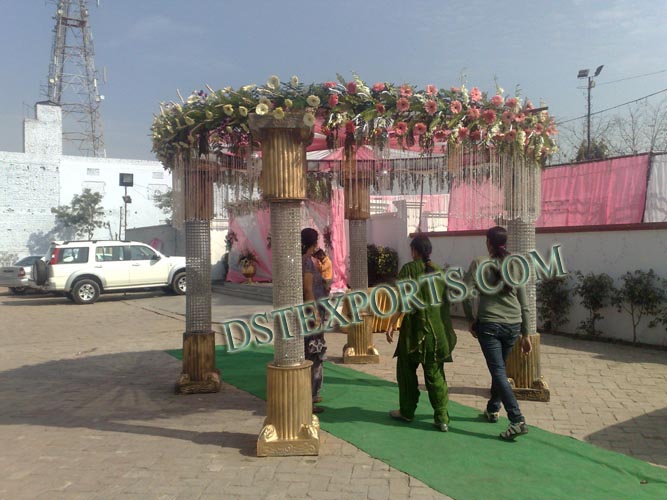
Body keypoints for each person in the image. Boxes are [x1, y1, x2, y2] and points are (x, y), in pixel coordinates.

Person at [463, 225, 532, 441]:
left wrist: (470, 319)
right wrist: (526, 333)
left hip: (490, 324)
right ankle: (493, 408)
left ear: (488, 243)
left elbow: (466, 294)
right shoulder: (516, 265)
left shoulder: (479, 263)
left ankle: (516, 419)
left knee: (498, 371)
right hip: (513, 324)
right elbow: (524, 301)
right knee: (499, 369)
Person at [385, 234, 457, 432]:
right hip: (437, 335)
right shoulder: (440, 272)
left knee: (406, 372)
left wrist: (392, 322)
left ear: (414, 251)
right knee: (435, 374)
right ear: (429, 251)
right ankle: (441, 417)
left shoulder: (409, 269)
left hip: (413, 335)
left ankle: (407, 411)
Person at [301, 228, 327, 414]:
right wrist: (315, 314)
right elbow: (308, 290)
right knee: (314, 353)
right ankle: (309, 397)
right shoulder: (307, 263)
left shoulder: (304, 261)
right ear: (314, 242)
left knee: (311, 352)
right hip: (311, 315)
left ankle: (311, 394)